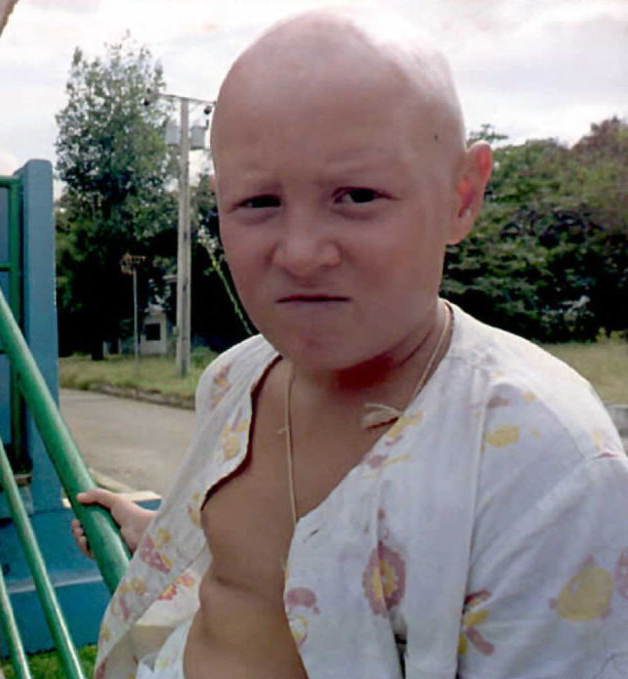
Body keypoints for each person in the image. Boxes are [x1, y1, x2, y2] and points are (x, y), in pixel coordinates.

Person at [72, 9, 628, 678]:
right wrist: (155, 532)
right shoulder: (235, 379)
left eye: (357, 195)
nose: (302, 253)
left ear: (463, 195)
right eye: (257, 202)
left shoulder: (543, 462)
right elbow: (245, 568)